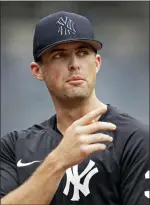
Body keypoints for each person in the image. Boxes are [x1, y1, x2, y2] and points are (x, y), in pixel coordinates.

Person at [1, 11, 149, 205]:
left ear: (96, 63)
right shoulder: (14, 146)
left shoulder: (134, 139)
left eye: (82, 53)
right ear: (38, 71)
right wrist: (58, 161)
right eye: (59, 55)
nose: (74, 64)